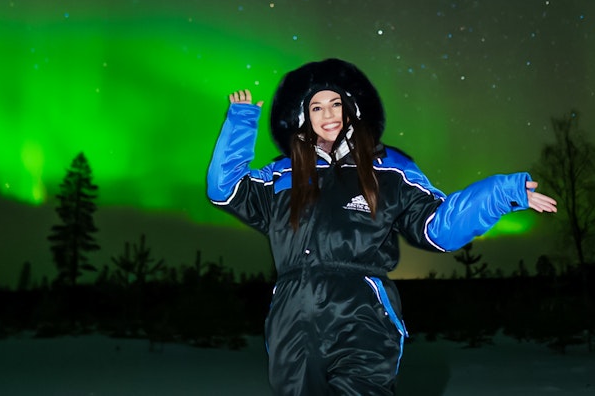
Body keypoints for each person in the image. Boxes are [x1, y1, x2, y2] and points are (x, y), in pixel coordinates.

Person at [206, 58, 557, 395]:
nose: (327, 114)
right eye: (316, 107)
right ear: (302, 116)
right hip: (292, 316)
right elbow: (224, 190)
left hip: (361, 310)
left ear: (352, 109)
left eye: (335, 103)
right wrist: (241, 122)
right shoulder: (283, 173)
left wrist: (499, 193)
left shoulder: (388, 168)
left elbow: (439, 226)